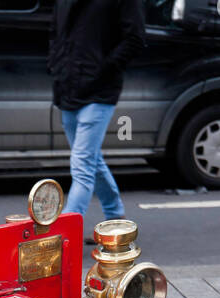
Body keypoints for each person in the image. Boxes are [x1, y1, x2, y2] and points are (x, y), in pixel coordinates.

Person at [47, 0, 144, 223]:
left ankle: (66, 231)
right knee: (90, 160)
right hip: (68, 86)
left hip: (100, 90)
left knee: (82, 165)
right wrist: (55, 64)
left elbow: (135, 38)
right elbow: (55, 32)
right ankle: (115, 216)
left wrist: (105, 68)